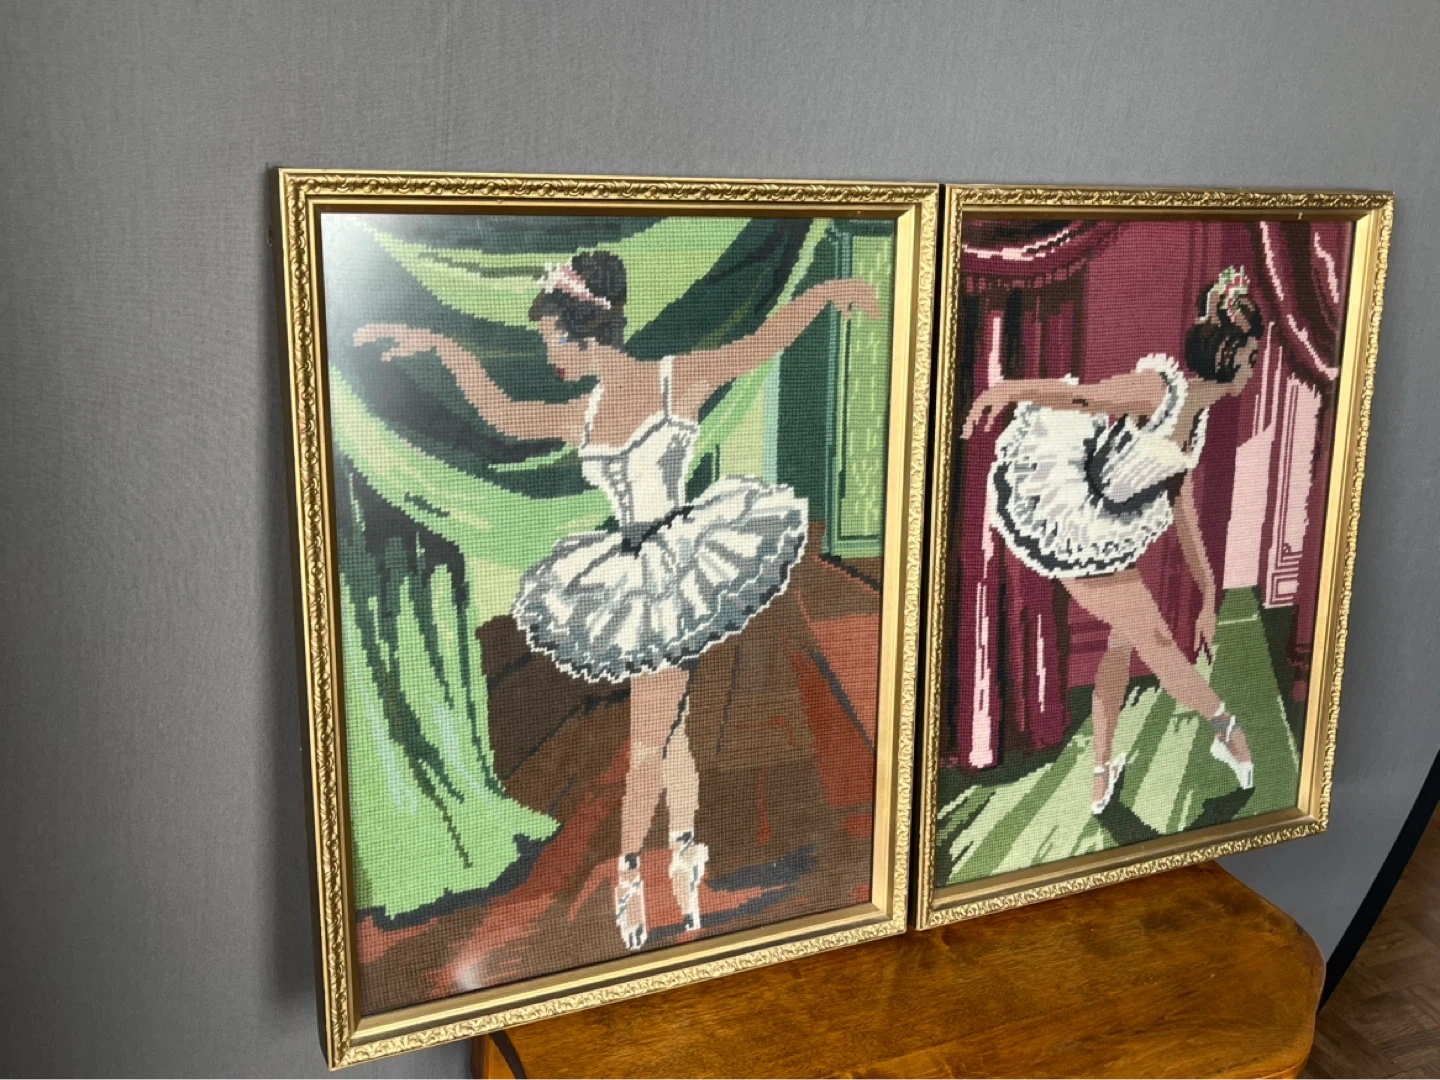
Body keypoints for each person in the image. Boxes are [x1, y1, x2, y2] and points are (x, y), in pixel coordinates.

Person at [355, 250, 881, 951]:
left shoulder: (675, 380)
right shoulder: (585, 410)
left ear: (580, 332)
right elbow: (504, 414)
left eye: (550, 340)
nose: (549, 356)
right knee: (671, 734)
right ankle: (685, 860)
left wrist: (822, 292)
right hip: (635, 571)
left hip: (681, 569)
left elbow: (759, 345)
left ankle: (631, 874)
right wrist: (441, 347)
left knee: (648, 742)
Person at [961, 266, 1261, 816]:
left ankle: (1102, 771)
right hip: (1075, 520)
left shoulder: (1197, 421)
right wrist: (1008, 389)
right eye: (1252, 356)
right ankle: (1228, 730)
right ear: (1231, 356)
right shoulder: (1161, 390)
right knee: (1158, 642)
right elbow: (1086, 399)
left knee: (1121, 650)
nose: (1253, 367)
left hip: (1117, 535)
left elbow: (1184, 513)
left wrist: (1207, 592)